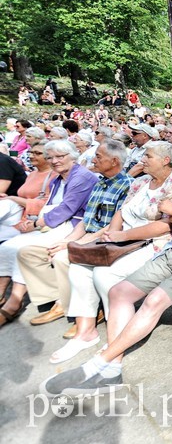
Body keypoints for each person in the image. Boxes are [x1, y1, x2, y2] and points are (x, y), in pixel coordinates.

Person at [40, 144, 172, 397]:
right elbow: (169, 216)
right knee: (119, 292)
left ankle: (99, 364)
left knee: (154, 301)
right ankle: (112, 368)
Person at [52, 141, 172, 364]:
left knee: (104, 274)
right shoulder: (141, 182)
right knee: (79, 267)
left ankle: (117, 338)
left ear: (165, 161)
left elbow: (167, 225)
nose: (142, 159)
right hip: (122, 240)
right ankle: (85, 331)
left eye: (149, 156)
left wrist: (122, 237)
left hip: (152, 242)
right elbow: (122, 211)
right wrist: (111, 237)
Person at [17, 141, 132, 330]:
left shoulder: (126, 185)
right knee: (31, 252)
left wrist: (73, 244)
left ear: (113, 161)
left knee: (64, 257)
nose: (93, 159)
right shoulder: (100, 182)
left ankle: (78, 310)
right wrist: (69, 240)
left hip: (108, 237)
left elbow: (114, 225)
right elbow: (86, 221)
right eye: (50, 157)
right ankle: (59, 298)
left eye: (98, 157)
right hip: (87, 231)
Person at [0, 141, 98, 328]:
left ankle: (27, 301)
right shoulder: (57, 179)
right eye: (50, 157)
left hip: (75, 226)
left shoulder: (82, 177)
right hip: (54, 224)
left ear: (73, 156)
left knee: (25, 249)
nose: (54, 161)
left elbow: (67, 209)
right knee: (14, 248)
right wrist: (34, 222)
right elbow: (50, 207)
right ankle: (54, 295)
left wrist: (36, 223)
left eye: (60, 156)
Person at [0, 143, 53, 242]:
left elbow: (47, 204)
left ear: (49, 157)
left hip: (33, 220)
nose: (31, 156)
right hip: (17, 215)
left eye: (37, 153)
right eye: (30, 152)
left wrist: (13, 198)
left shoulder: (54, 176)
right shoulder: (32, 174)